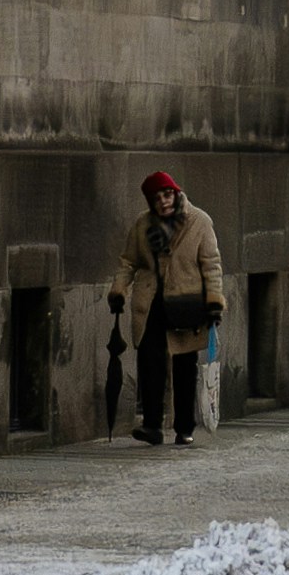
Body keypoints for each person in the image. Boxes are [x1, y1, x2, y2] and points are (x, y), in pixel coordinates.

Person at [112, 165, 223, 448]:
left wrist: (214, 302)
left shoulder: (199, 222)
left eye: (167, 195)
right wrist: (119, 289)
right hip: (150, 306)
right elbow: (129, 261)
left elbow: (211, 265)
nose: (163, 201)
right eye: (157, 197)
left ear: (175, 193)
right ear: (150, 201)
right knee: (150, 365)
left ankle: (184, 427)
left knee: (184, 369)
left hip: (184, 305)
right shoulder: (142, 224)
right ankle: (151, 426)